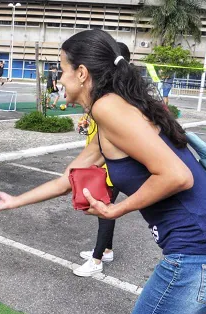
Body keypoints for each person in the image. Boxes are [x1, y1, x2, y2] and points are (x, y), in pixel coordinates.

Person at [0, 29, 206, 314]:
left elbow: (176, 175)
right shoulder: (119, 110)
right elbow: (68, 177)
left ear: (82, 73)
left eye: (62, 68)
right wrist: (14, 201)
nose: (59, 78)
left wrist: (117, 209)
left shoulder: (107, 108)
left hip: (201, 255)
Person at [75, 41, 131, 277]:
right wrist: (87, 119)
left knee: (103, 208)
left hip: (111, 162)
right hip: (103, 159)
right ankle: (106, 250)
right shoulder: (109, 90)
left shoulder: (117, 93)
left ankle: (97, 260)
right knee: (104, 207)